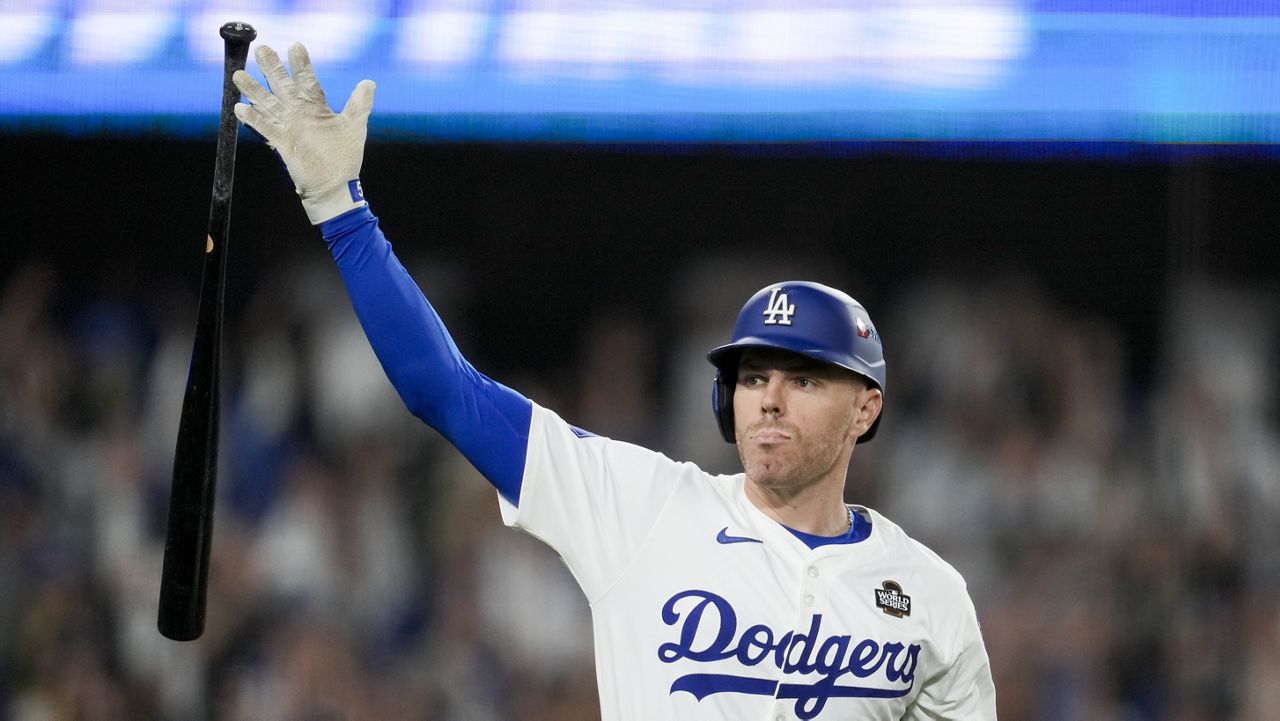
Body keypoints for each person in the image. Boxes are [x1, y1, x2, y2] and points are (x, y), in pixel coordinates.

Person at [232, 43, 997, 720]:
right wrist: (342, 212)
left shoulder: (928, 594)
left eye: (803, 380)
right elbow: (445, 389)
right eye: (752, 375)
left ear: (865, 409)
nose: (768, 397)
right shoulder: (644, 507)